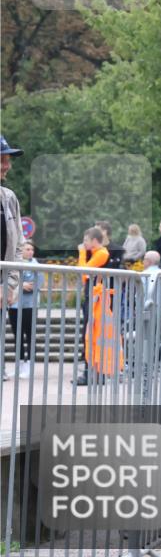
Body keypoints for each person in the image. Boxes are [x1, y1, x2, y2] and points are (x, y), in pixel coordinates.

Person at [1, 135, 26, 381]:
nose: (7, 165)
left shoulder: (8, 198)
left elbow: (19, 246)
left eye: (7, 159)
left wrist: (9, 285)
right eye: (1, 160)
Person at [74, 226, 111, 386]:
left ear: (94, 241)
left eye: (86, 240)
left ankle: (92, 373)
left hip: (96, 300)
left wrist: (82, 252)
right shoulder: (97, 253)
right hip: (93, 298)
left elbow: (83, 272)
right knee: (90, 335)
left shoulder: (101, 253)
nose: (83, 244)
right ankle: (92, 373)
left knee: (92, 335)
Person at [9, 240, 38, 379]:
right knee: (18, 336)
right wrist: (22, 284)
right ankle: (19, 365)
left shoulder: (36, 265)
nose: (30, 252)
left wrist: (19, 284)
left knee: (30, 335)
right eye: (27, 249)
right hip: (14, 305)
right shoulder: (14, 264)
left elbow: (35, 284)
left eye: (32, 249)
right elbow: (10, 281)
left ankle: (29, 366)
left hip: (29, 305)